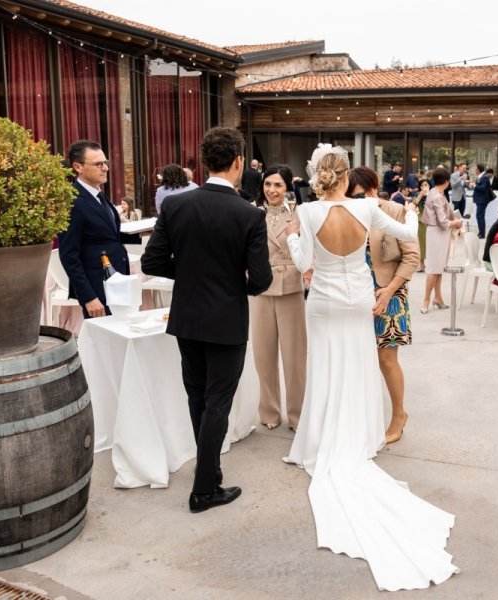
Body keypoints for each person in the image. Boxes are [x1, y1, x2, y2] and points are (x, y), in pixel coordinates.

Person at [283, 145, 457, 591]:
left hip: (321, 303)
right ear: (344, 177)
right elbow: (408, 231)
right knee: (361, 367)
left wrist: (291, 240)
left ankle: (320, 440)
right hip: (358, 300)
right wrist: (413, 209)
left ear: (318, 176)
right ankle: (360, 435)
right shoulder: (366, 206)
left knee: (324, 368)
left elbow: (305, 264)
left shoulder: (305, 212)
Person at [141, 127, 272, 513]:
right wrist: (233, 286)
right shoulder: (249, 214)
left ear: (204, 162)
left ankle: (210, 472)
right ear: (237, 164)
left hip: (187, 316)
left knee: (197, 395)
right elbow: (261, 279)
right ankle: (203, 488)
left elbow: (151, 262)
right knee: (217, 401)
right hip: (226, 318)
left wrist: (193, 275)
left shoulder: (175, 206)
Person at [347, 166, 420, 444]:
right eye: (351, 197)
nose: (356, 201)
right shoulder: (348, 214)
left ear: (374, 189)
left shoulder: (394, 212)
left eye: (360, 195)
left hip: (389, 293)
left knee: (386, 359)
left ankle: (399, 415)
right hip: (355, 294)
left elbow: (412, 257)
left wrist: (388, 291)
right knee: (358, 358)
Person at [251, 164, 308, 432]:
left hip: (290, 289)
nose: (272, 190)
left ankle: (297, 414)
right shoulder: (252, 213)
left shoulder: (298, 214)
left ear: (287, 189)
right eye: (268, 184)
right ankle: (269, 411)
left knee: (294, 356)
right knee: (263, 354)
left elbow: (307, 252)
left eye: (278, 185)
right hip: (260, 289)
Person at [58, 140, 141, 319]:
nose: (105, 168)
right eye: (98, 164)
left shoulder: (98, 195)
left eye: (105, 163)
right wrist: (88, 297)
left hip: (117, 282)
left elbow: (105, 235)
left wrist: (139, 235)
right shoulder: (73, 201)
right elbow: (68, 255)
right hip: (98, 288)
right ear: (78, 167)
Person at [421, 167, 464, 314]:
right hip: (437, 233)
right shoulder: (438, 196)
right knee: (433, 269)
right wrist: (456, 223)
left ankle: (437, 298)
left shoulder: (436, 192)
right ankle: (426, 300)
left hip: (438, 233)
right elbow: (443, 222)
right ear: (446, 182)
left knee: (438, 268)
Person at [413, 178, 431, 272]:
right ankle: (422, 264)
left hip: (432, 222)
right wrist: (421, 195)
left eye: (427, 185)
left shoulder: (433, 195)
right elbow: (414, 204)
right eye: (423, 185)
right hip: (421, 221)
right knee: (421, 243)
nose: (425, 187)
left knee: (432, 244)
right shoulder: (417, 195)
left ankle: (433, 263)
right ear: (420, 187)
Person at [471, 163, 491, 238]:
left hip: (482, 200)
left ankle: (482, 234)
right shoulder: (481, 176)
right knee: (480, 216)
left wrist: (474, 185)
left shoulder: (485, 177)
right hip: (480, 199)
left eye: (475, 169)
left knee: (480, 216)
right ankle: (481, 232)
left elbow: (483, 188)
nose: (475, 170)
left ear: (478, 169)